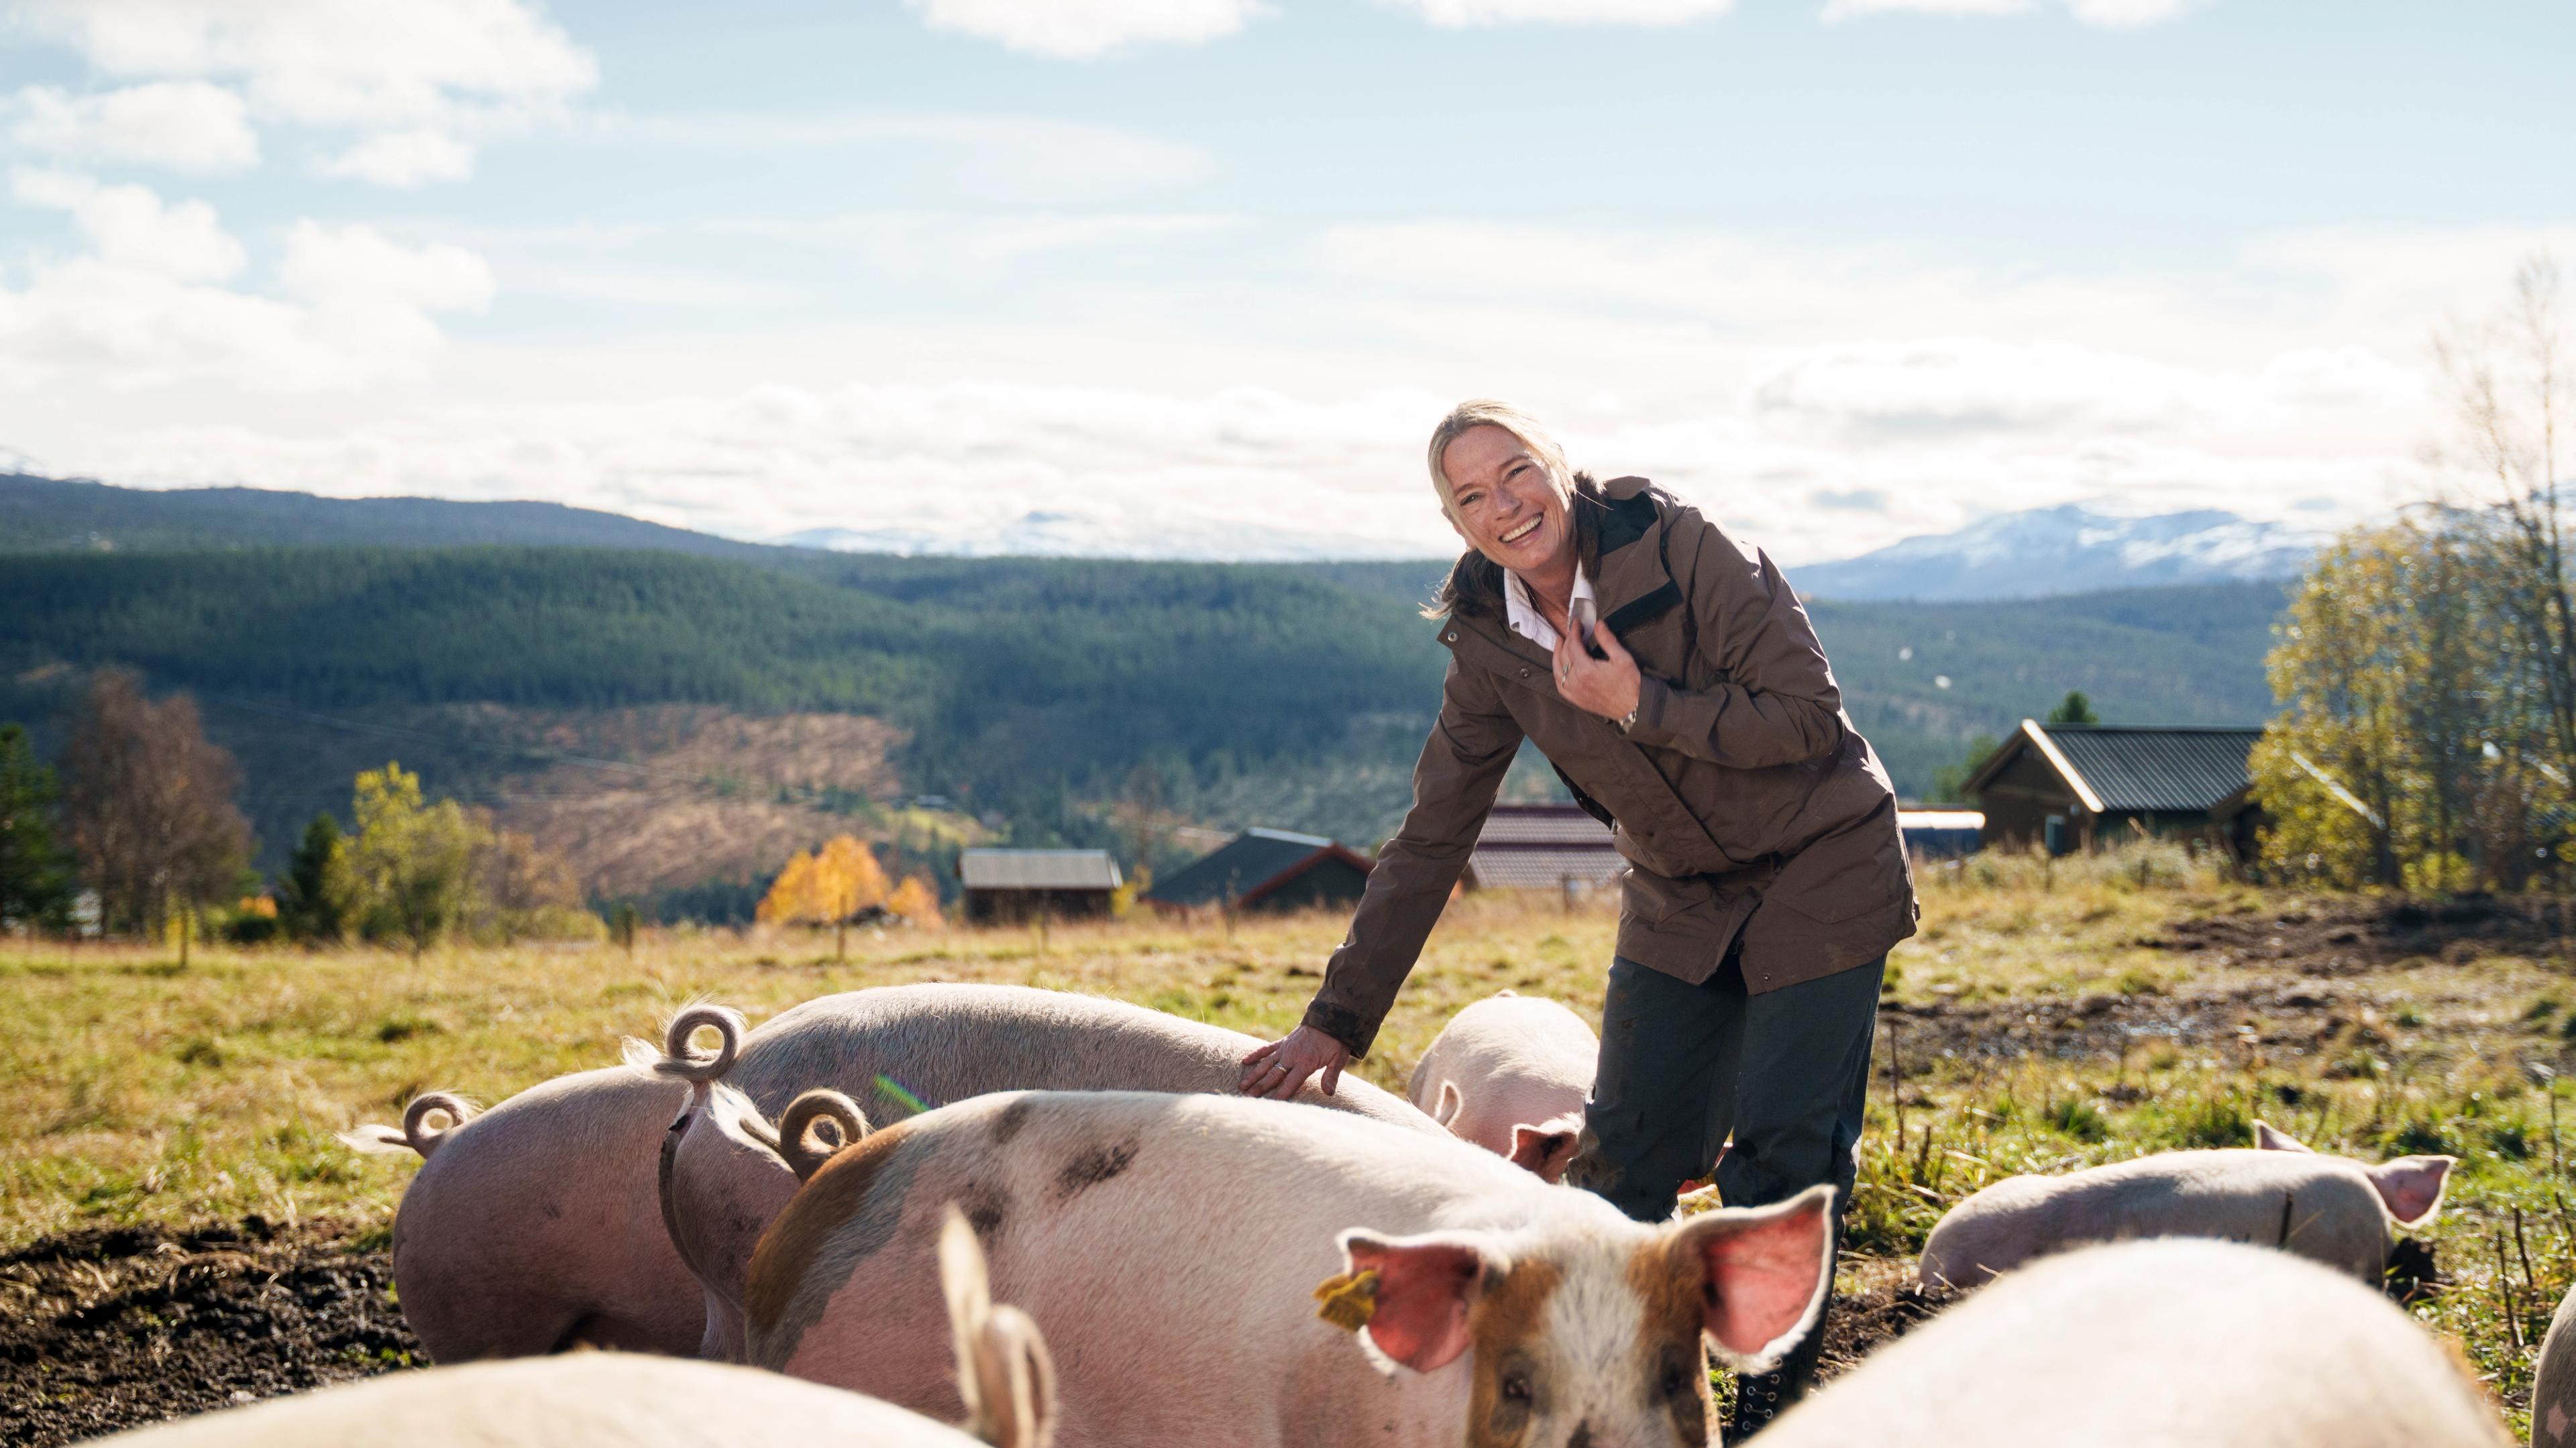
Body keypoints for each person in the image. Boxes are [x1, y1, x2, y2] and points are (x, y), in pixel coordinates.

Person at [1238, 399, 1916, 1436]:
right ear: (1456, 525)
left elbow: (1807, 717)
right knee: (1619, 1168)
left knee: (1782, 1161)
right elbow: (1433, 838)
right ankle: (1598, 1398)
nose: (1504, 505)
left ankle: (1763, 1415)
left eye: (1515, 472)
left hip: (1820, 863)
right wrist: (1338, 1020)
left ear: (1558, 466)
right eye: (1472, 496)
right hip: (1681, 890)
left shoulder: (1680, 547)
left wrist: (1641, 705)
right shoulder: (1487, 643)